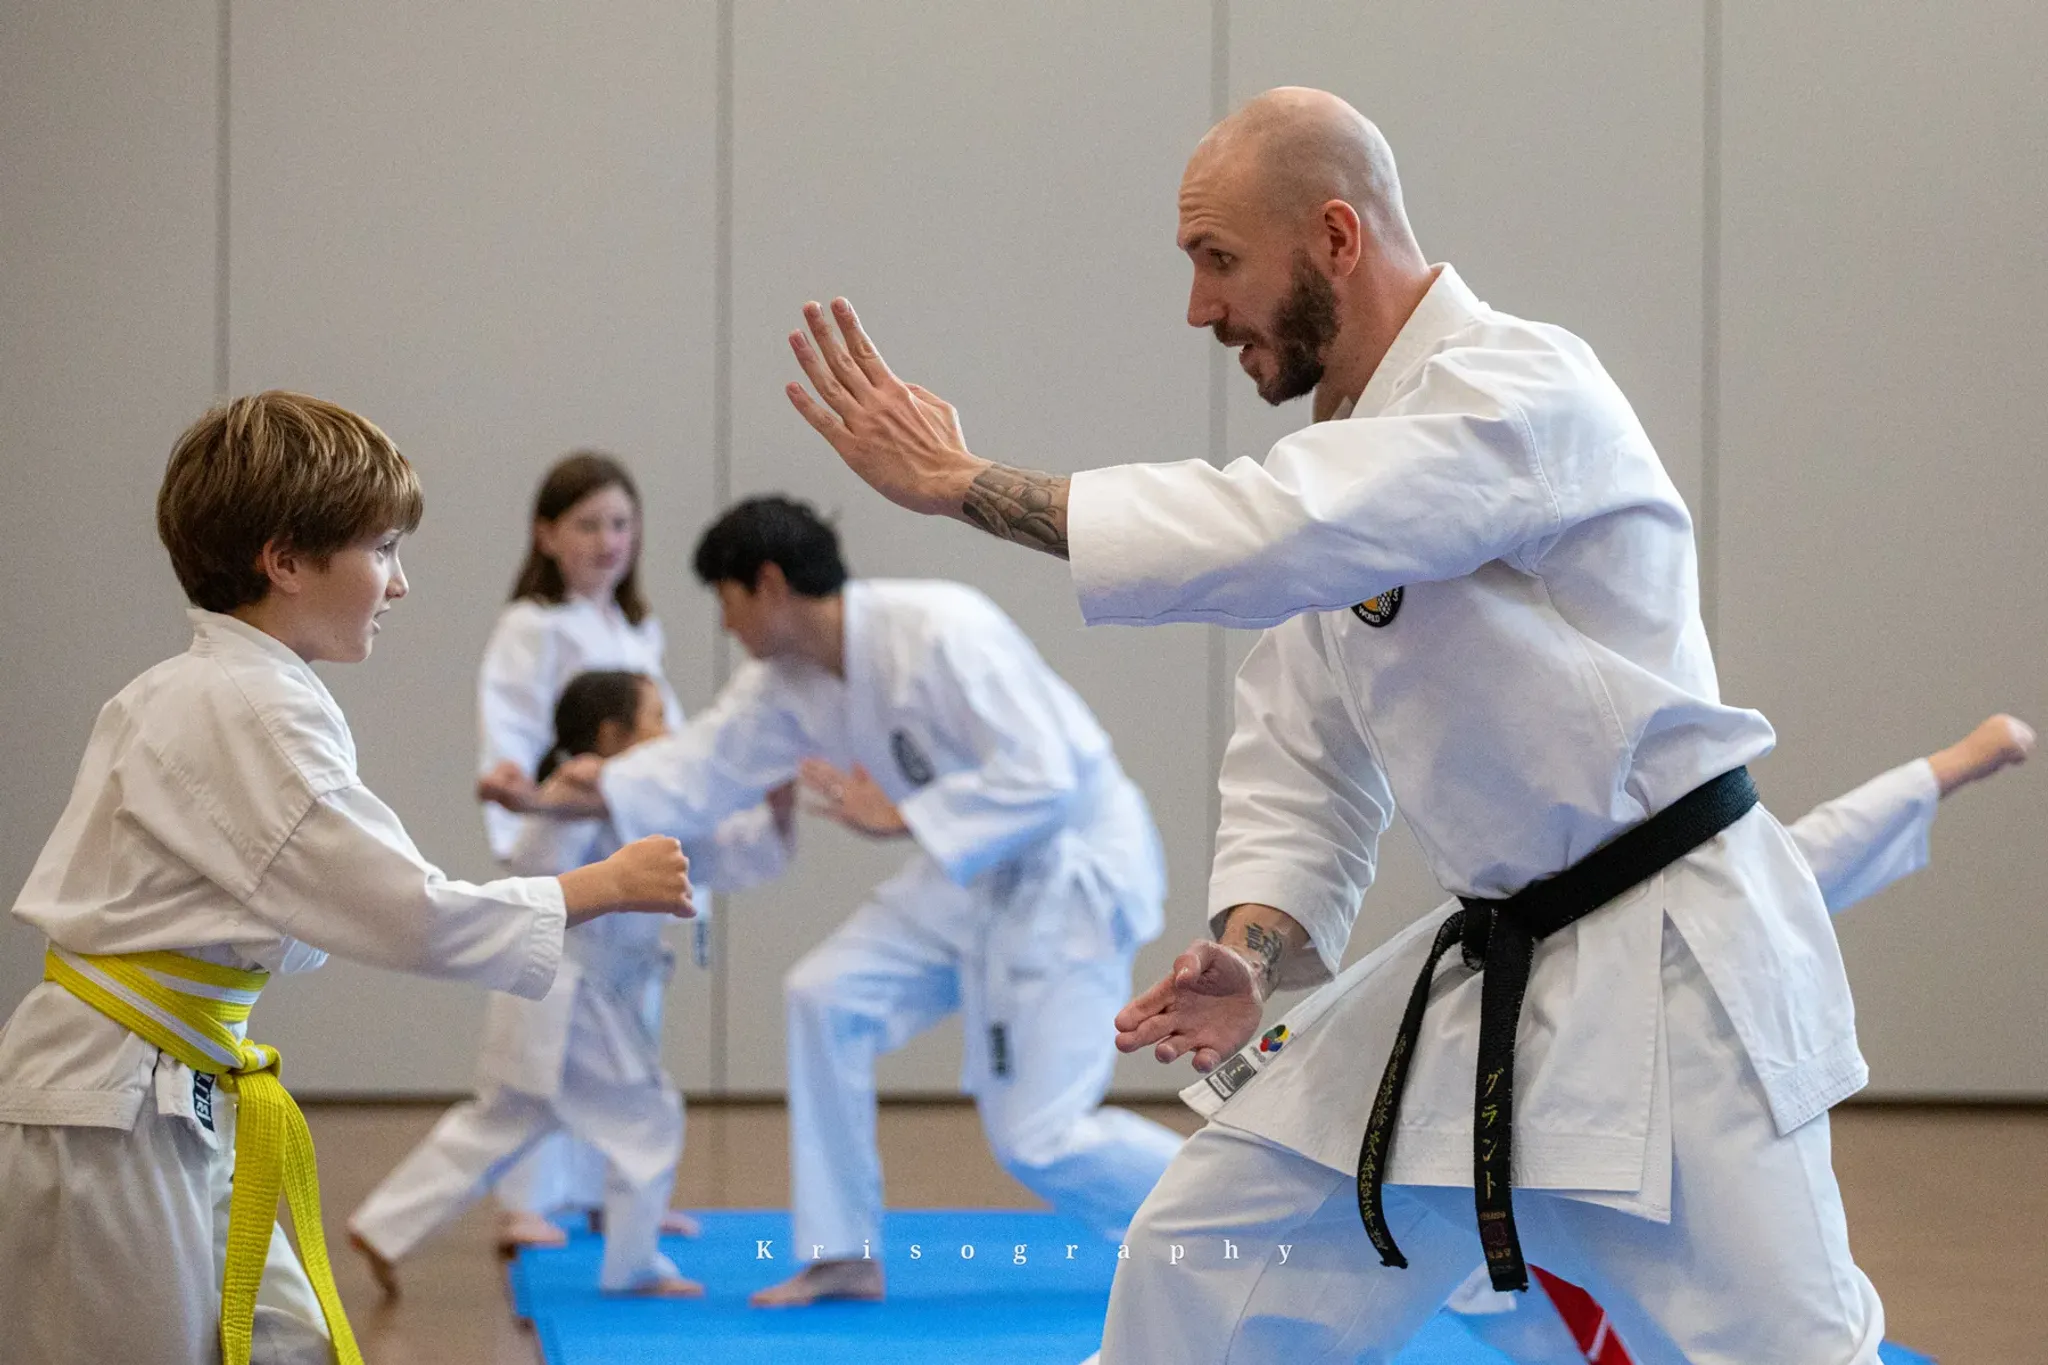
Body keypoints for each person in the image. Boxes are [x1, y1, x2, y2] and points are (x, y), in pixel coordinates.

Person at [780, 86, 1907, 1363]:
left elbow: (1282, 531)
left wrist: (966, 486)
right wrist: (1253, 948)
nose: (1199, 308)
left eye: (1218, 261)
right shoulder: (1351, 462)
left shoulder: (1517, 390)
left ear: (1333, 236)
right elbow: (1301, 762)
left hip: (1667, 973)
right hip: (1494, 974)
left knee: (1783, 1350)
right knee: (1199, 1254)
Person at [0, 392, 690, 1365]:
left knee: (293, 1344)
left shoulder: (216, 689)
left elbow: (307, 898)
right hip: (107, 1109)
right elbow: (400, 908)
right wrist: (598, 885)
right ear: (284, 561)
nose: (398, 585)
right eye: (381, 552)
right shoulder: (247, 703)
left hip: (164, 1081)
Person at [525, 495, 1184, 1307]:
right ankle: (843, 1252)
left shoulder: (943, 629)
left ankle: (1243, 1208)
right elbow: (706, 765)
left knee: (1039, 1139)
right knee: (825, 993)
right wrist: (597, 790)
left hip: (1068, 873)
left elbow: (1046, 776)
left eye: (726, 602)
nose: (727, 626)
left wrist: (902, 814)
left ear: (766, 585)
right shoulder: (786, 684)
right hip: (970, 874)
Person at [1439, 711, 2032, 1362]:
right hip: (1533, 1193)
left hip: (1672, 1182)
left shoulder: (1684, 901)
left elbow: (1821, 851)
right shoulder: (1495, 938)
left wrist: (1956, 762)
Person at [349, 671, 791, 1299]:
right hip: (569, 990)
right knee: (648, 1118)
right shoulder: (579, 787)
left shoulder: (644, 798)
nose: (670, 732)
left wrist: (780, 800)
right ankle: (634, 1266)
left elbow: (719, 851)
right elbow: (536, 862)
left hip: (562, 991)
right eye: (657, 718)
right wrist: (544, 800)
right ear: (613, 735)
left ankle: (383, 1225)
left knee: (501, 1123)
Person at [471, 451, 694, 1251]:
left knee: (631, 1022)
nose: (609, 541)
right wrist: (527, 811)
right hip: (563, 835)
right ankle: (526, 1199)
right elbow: (516, 733)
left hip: (628, 836)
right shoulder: (532, 627)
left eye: (622, 523)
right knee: (546, 1032)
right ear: (547, 533)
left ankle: (620, 1189)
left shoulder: (635, 628)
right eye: (589, 524)